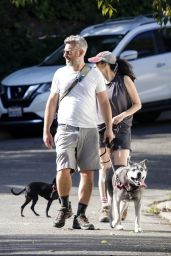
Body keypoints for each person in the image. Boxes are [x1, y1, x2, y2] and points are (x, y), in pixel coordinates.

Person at [43, 36, 114, 230]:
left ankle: (80, 215)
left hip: (90, 129)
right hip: (65, 128)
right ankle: (64, 207)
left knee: (87, 174)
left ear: (81, 52)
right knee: (63, 169)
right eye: (65, 50)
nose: (65, 53)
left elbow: (104, 103)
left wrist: (108, 128)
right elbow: (52, 102)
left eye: (69, 50)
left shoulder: (94, 74)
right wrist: (46, 129)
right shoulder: (59, 73)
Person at [88, 51, 142, 222]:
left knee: (120, 171)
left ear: (105, 64)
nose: (93, 66)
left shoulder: (124, 79)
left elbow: (137, 104)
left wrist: (122, 115)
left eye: (97, 63)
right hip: (101, 128)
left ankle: (121, 206)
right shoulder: (95, 81)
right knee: (104, 169)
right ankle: (105, 207)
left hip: (122, 128)